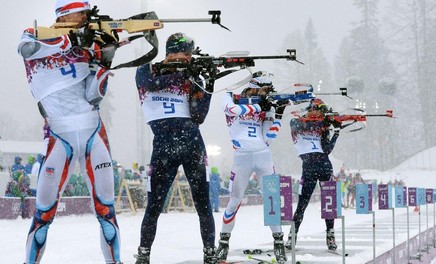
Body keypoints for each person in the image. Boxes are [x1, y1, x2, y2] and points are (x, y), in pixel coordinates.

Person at [18, 1, 122, 263]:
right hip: (58, 134)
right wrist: (71, 39)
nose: (86, 18)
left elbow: (93, 95)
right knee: (43, 214)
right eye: (81, 13)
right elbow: (25, 49)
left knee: (106, 211)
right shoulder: (35, 34)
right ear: (65, 13)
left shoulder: (87, 46)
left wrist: (105, 59)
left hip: (92, 130)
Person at [134, 32, 217, 264]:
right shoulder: (146, 70)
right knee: (154, 207)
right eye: (186, 53)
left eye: (191, 55)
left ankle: (210, 253)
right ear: (171, 52)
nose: (189, 58)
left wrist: (208, 82)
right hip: (163, 146)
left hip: (192, 143)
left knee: (203, 204)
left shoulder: (190, 78)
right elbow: (150, 84)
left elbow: (199, 114)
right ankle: (143, 254)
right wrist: (182, 73)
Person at [216, 71, 288, 263]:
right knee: (234, 201)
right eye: (263, 90)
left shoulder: (265, 105)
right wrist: (257, 106)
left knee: (272, 200)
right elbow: (231, 110)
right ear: (254, 87)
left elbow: (268, 138)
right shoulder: (232, 96)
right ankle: (223, 244)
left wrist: (277, 114)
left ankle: (279, 244)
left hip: (263, 157)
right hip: (241, 157)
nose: (265, 95)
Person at [286, 98, 341, 252]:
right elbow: (299, 125)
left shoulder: (322, 127)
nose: (319, 113)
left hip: (324, 165)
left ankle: (330, 236)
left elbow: (327, 149)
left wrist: (336, 132)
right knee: (302, 204)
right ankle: (292, 236)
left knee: (328, 204)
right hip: (308, 167)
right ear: (310, 109)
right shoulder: (298, 122)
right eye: (317, 109)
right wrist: (323, 122)